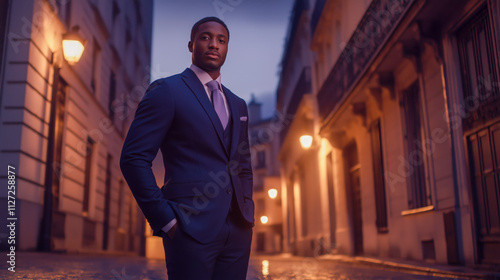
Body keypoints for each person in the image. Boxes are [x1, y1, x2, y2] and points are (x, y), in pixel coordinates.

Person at [120, 17, 254, 280]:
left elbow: (243, 165)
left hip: (237, 231)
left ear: (227, 48)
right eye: (205, 37)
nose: (213, 44)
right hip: (188, 227)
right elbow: (133, 158)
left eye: (221, 40)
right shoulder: (167, 91)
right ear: (191, 44)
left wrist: (247, 209)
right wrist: (166, 220)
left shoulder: (238, 104)